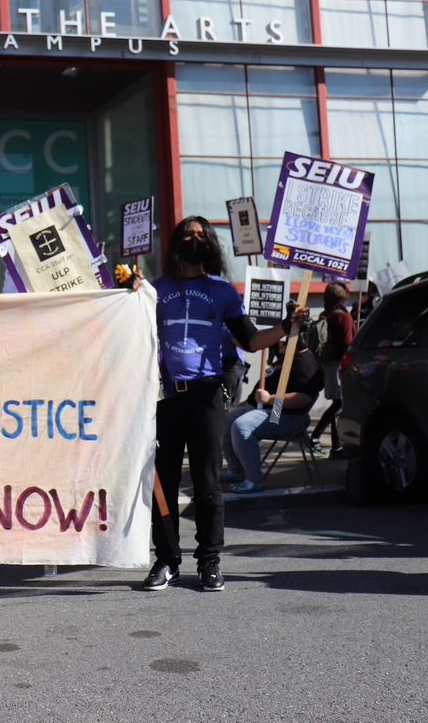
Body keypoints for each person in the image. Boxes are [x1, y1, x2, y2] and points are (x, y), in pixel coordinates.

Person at [145, 216, 307, 593]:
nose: (194, 239)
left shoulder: (222, 292)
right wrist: (127, 290)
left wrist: (286, 326)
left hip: (206, 396)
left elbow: (250, 341)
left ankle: (209, 561)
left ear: (211, 245)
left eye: (201, 235)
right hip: (164, 397)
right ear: (175, 242)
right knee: (163, 483)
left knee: (207, 482)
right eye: (187, 233)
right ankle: (166, 560)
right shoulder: (155, 291)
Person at [222, 337, 325, 492]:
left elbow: (303, 399)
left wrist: (269, 399)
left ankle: (253, 480)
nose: (278, 344)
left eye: (283, 341)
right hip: (267, 408)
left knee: (242, 425)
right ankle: (237, 471)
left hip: (285, 415)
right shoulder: (288, 357)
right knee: (227, 420)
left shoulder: (307, 364)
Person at [311, 281, 357, 455]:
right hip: (340, 365)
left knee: (337, 403)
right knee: (339, 404)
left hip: (329, 365)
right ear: (341, 297)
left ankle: (336, 445)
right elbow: (347, 344)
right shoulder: (343, 316)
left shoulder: (326, 314)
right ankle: (316, 436)